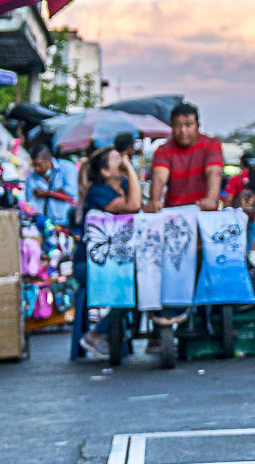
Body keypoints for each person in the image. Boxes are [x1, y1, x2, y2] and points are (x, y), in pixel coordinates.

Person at [73, 146, 141, 363]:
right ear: (105, 171)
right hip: (91, 263)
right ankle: (97, 333)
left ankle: (112, 333)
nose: (122, 160)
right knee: (134, 285)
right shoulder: (99, 191)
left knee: (144, 281)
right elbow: (133, 205)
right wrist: (129, 167)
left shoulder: (122, 186)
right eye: (116, 159)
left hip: (116, 260)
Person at [148, 102, 224, 210]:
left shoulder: (212, 145)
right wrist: (154, 201)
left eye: (188, 125)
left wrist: (211, 200)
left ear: (197, 126)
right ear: (172, 127)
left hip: (203, 212)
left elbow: (214, 172)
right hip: (174, 214)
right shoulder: (163, 150)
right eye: (177, 125)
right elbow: (159, 176)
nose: (183, 130)